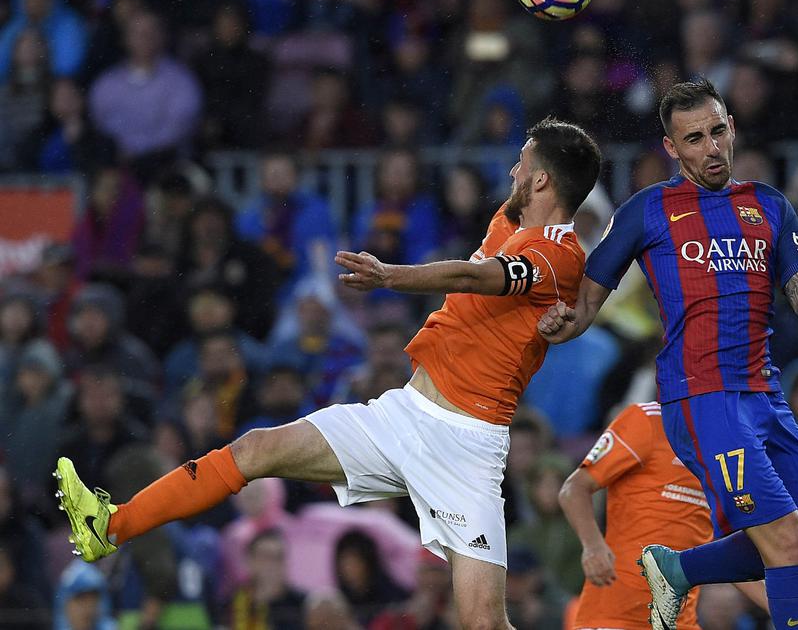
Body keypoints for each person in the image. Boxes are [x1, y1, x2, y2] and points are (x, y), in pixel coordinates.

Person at [55, 117, 602, 630]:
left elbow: (474, 275)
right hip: (402, 414)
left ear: (541, 179)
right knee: (256, 448)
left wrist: (389, 275)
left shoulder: (560, 256)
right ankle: (110, 526)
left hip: (467, 446)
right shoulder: (509, 220)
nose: (511, 170)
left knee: (483, 622)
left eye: (521, 162)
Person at [538, 79, 798, 630]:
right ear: (672, 148)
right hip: (701, 398)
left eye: (718, 131)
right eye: (695, 138)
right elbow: (585, 306)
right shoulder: (646, 211)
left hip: (765, 397)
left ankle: (678, 569)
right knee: (783, 541)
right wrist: (561, 326)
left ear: (733, 128)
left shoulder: (770, 206)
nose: (711, 148)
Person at [558, 402, 715, 629]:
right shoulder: (647, 419)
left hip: (679, 621)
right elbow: (573, 490)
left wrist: (781, 605)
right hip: (614, 614)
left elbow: (732, 546)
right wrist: (593, 546)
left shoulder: (724, 442)